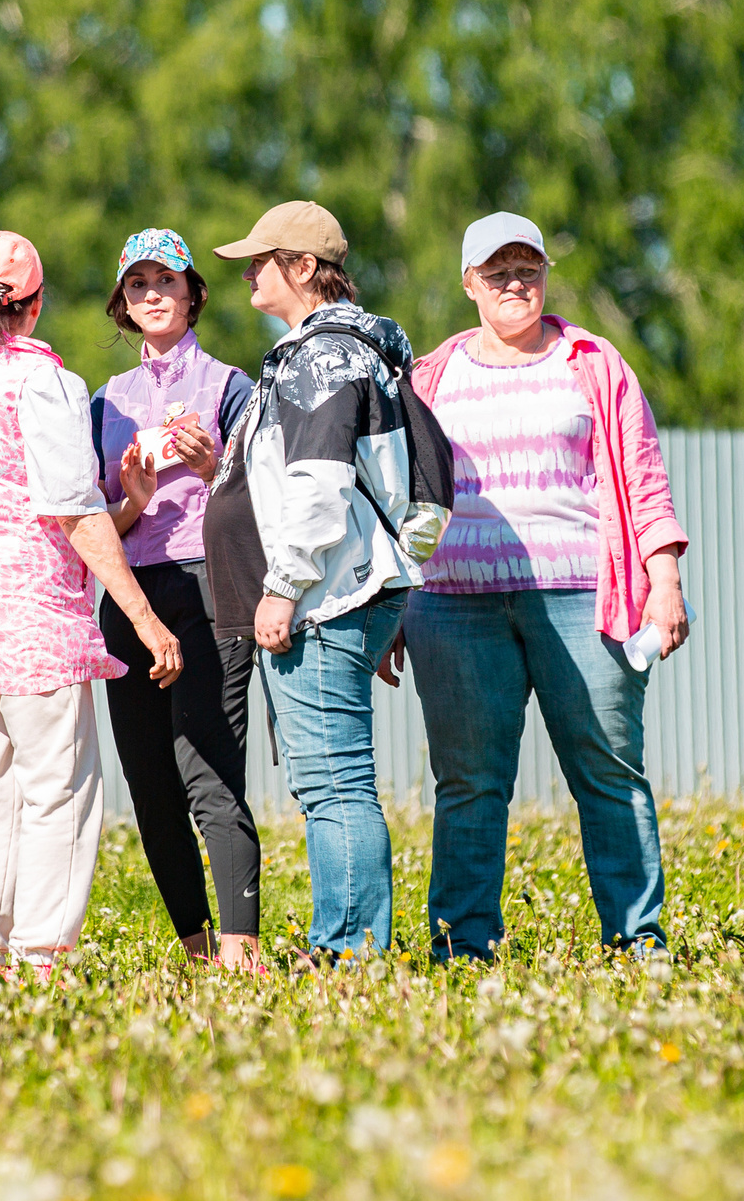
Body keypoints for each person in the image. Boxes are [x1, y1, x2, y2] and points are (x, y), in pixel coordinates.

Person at [381, 212, 690, 959]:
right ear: (468, 284)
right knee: (468, 784)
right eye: (498, 271)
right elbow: (396, 493)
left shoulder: (593, 361)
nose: (515, 282)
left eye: (528, 267)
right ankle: (463, 947)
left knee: (609, 770)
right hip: (452, 606)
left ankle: (637, 942)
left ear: (546, 273)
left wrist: (665, 575)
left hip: (583, 598)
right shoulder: (430, 376)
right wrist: (388, 602)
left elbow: (643, 475)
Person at [0, 231, 183, 978]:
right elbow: (71, 512)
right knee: (58, 796)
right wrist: (144, 615)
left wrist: (119, 505)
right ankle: (39, 964)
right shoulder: (42, 382)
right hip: (38, 622)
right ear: (35, 306)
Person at [204, 201, 443, 962]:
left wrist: (285, 585)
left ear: (303, 268)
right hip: (347, 591)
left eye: (261, 258)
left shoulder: (321, 358)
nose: (248, 270)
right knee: (334, 780)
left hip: (321, 597)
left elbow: (318, 484)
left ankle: (349, 950)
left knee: (333, 783)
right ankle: (349, 940)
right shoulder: (362, 351)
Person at [89, 229, 265, 970]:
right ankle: (195, 951)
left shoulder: (233, 386)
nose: (153, 294)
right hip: (130, 594)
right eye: (138, 284)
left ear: (194, 292)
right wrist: (132, 501)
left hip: (208, 584)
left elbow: (265, 497)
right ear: (123, 306)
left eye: (166, 280)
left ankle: (241, 948)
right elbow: (95, 523)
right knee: (151, 786)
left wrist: (216, 463)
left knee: (208, 770)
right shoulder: (102, 402)